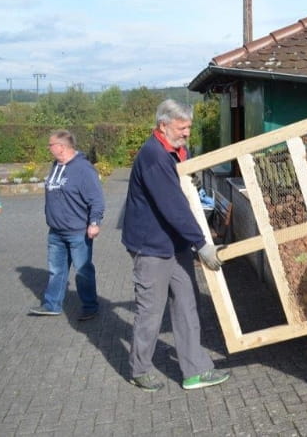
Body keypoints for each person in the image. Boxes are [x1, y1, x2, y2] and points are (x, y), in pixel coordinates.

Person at [122, 99, 229, 393]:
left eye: (189, 128)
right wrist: (202, 244)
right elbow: (172, 206)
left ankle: (194, 370)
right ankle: (139, 369)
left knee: (186, 302)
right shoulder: (154, 156)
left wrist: (190, 180)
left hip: (175, 242)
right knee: (151, 310)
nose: (186, 133)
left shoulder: (178, 150)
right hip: (152, 246)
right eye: (182, 128)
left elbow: (182, 193)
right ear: (163, 125)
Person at [29, 130, 105, 321]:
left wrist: (94, 222)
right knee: (56, 270)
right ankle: (52, 304)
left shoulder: (83, 169)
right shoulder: (56, 165)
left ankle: (90, 306)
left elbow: (96, 199)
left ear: (61, 147)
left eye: (51, 145)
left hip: (78, 232)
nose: (49, 148)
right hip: (56, 231)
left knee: (83, 270)